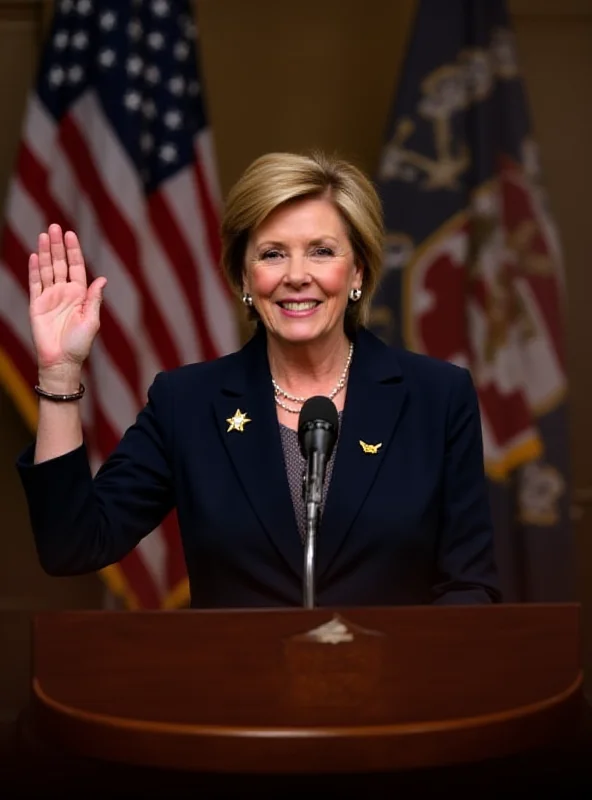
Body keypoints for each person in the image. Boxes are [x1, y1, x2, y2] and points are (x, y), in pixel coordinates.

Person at [16, 151, 500, 607]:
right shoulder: (186, 403)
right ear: (244, 279)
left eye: (321, 251)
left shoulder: (437, 397)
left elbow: (470, 585)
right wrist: (59, 373)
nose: (296, 275)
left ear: (359, 271)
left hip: (392, 690)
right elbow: (73, 548)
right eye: (272, 254)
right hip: (239, 690)